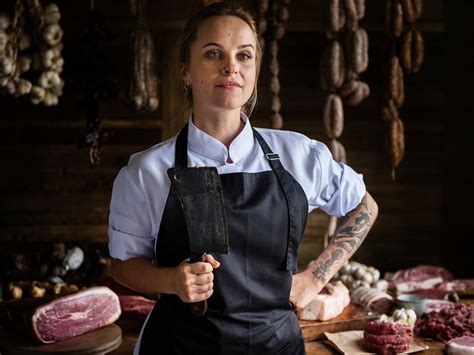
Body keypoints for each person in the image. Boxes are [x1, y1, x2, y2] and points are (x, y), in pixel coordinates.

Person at [108, 2, 378, 354]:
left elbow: (364, 205)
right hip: (179, 345)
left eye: (244, 55)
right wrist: (170, 280)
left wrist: (315, 277)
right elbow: (122, 266)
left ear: (255, 71)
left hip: (277, 345)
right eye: (213, 53)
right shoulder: (145, 171)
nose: (231, 66)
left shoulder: (298, 154)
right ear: (185, 71)